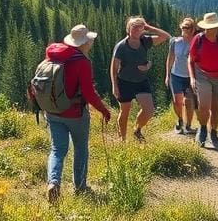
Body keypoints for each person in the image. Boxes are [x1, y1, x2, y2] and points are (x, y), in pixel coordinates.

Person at [44, 24, 112, 204]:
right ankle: (80, 186)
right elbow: (89, 94)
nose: (91, 42)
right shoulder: (82, 62)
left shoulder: (53, 56)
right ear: (83, 44)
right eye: (89, 40)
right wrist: (104, 110)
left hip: (52, 111)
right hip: (75, 114)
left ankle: (53, 182)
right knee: (80, 148)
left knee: (57, 149)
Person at [111, 16, 170, 141]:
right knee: (124, 112)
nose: (137, 30)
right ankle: (122, 140)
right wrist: (114, 85)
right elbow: (114, 68)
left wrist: (149, 28)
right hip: (124, 82)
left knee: (149, 111)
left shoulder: (145, 41)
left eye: (140, 27)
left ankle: (137, 130)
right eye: (134, 27)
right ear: (128, 29)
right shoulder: (121, 46)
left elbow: (166, 36)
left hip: (141, 81)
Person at [188, 12, 218, 148]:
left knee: (216, 107)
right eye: (209, 27)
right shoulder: (198, 40)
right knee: (204, 106)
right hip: (202, 75)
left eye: (213, 27)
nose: (210, 29)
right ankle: (202, 128)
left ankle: (213, 131)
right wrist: (192, 77)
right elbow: (190, 60)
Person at [165, 17, 198, 134]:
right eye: (183, 27)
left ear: (193, 29)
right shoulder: (175, 42)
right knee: (177, 101)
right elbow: (170, 58)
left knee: (189, 101)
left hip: (190, 76)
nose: (184, 29)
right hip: (176, 75)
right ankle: (180, 120)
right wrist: (167, 75)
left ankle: (188, 126)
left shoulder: (196, 41)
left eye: (187, 27)